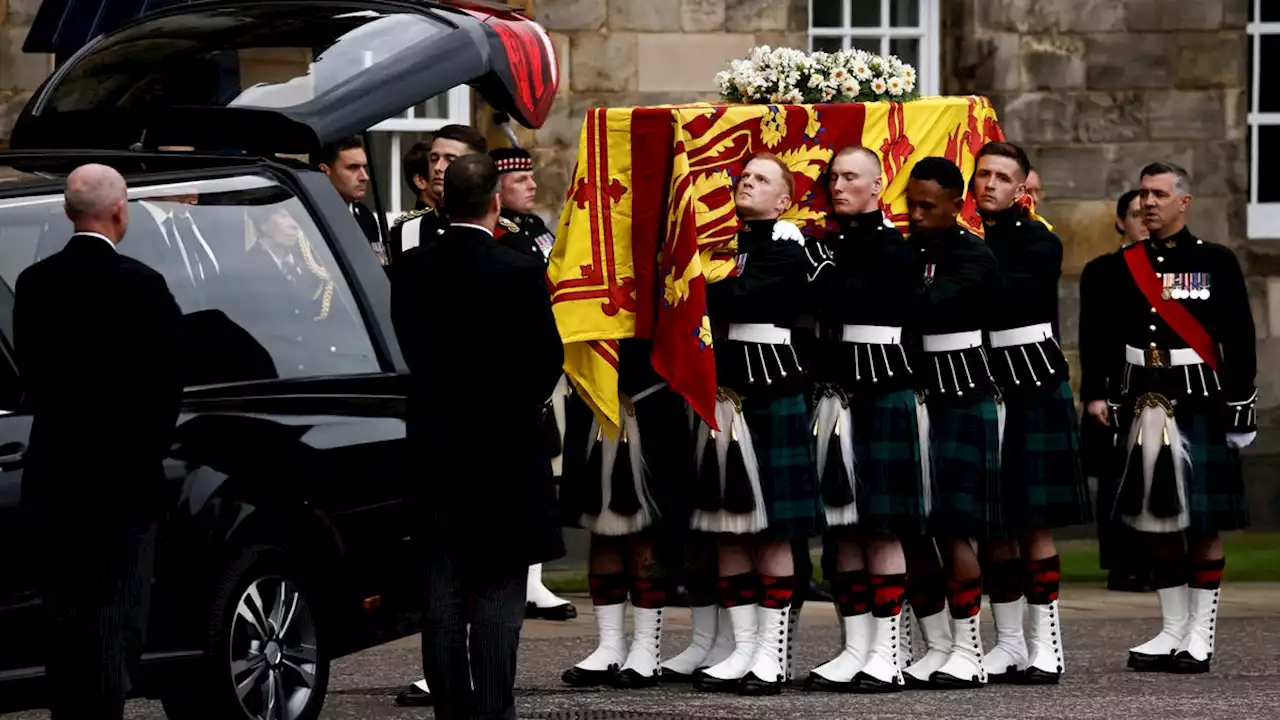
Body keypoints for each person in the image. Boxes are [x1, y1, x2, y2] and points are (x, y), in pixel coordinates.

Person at [389, 154, 566, 719]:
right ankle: (492, 709)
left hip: (434, 451)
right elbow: (547, 360)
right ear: (494, 203)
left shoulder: (412, 268)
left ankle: (452, 712)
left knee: (441, 596)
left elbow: (402, 353)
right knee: (497, 597)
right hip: (504, 454)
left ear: (443, 202)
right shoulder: (517, 268)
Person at [14, 164, 183, 720]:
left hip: (55, 474)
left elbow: (32, 379)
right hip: (123, 481)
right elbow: (165, 388)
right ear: (120, 211)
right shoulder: (142, 285)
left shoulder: (35, 285)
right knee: (116, 616)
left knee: (64, 616)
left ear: (67, 213)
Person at [1080, 162, 1255, 675]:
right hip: (1143, 401)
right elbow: (1099, 342)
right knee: (1155, 520)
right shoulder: (1117, 268)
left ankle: (1200, 635)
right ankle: (1173, 628)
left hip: (1198, 399)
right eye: (1143, 194)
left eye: (1159, 194)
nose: (1148, 203)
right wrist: (1099, 396)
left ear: (1184, 201)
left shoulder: (1216, 262)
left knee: (1201, 521)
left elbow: (1239, 338)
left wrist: (1240, 406)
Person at [690, 153, 823, 696]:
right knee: (728, 523)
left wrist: (696, 288)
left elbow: (749, 294)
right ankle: (744, 647)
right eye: (744, 177)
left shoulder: (789, 246)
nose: (747, 183)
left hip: (771, 390)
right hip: (724, 392)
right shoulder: (727, 245)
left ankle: (771, 653)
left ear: (784, 200)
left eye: (762, 180)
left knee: (773, 529)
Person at [802, 146, 925, 693]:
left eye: (851, 177)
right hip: (837, 392)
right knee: (842, 527)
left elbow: (860, 298)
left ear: (878, 185)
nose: (838, 185)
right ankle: (856, 648)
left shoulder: (892, 244)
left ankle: (888, 651)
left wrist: (818, 270)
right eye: (833, 178)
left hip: (879, 391)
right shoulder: (834, 244)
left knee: (881, 523)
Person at [972, 141, 1091, 685]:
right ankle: (1010, 643)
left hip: (1033, 384)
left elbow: (1003, 293)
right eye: (983, 174)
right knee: (995, 521)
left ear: (1021, 189)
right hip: (983, 379)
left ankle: (1047, 646)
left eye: (1002, 177)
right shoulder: (968, 239)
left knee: (1035, 522)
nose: (989, 183)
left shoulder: (1039, 240)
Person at [899, 157, 1001, 690]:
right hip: (914, 391)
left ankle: (968, 649)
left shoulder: (973, 254)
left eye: (926, 206)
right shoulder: (906, 249)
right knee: (914, 526)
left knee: (956, 527)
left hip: (959, 392)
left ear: (956, 204)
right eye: (910, 204)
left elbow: (931, 306)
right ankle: (936, 643)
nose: (914, 214)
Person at [1085, 189, 1161, 594]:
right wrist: (1095, 393)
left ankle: (1158, 561)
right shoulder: (1102, 271)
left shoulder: (1176, 269)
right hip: (1119, 388)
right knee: (1118, 478)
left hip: (1164, 386)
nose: (1143, 221)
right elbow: (1092, 336)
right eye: (1135, 214)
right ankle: (1121, 564)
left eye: (1149, 214)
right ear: (1121, 222)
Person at [389, 124, 487, 264]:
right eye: (434, 159)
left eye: (450, 159)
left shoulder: (503, 233)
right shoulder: (406, 232)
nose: (437, 168)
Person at [316, 136, 383, 259]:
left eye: (364, 168)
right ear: (324, 172)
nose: (364, 177)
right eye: (353, 168)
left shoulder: (365, 217)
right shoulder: (311, 217)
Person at [490, 147, 557, 262]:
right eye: (521, 180)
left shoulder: (534, 223)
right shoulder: (496, 234)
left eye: (532, 178)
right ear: (497, 189)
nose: (533, 185)